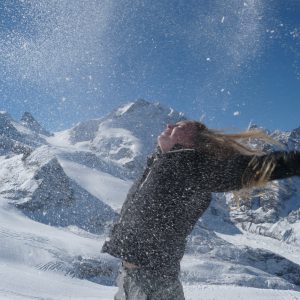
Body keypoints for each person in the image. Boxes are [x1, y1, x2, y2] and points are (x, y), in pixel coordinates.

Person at [102, 120, 300, 300]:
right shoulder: (162, 160)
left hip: (152, 281)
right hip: (132, 278)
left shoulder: (192, 166)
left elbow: (254, 167)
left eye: (180, 126)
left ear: (193, 141)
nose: (169, 125)